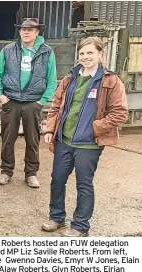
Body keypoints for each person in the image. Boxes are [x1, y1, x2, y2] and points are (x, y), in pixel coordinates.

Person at [41, 37, 128, 237]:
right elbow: (56, 106)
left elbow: (120, 113)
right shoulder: (70, 78)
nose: (85, 57)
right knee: (57, 179)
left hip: (88, 144)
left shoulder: (111, 81)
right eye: (82, 53)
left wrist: (95, 128)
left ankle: (80, 225)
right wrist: (50, 129)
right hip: (64, 140)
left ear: (100, 55)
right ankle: (56, 217)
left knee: (84, 183)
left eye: (90, 53)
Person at [0, 18, 58, 188]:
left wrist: (42, 101)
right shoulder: (8, 50)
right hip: (11, 100)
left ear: (37, 32)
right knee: (8, 138)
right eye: (23, 29)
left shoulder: (47, 52)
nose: (26, 32)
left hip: (33, 102)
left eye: (30, 29)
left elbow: (52, 79)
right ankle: (6, 171)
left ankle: (31, 173)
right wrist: (1, 95)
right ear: (19, 32)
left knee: (32, 139)